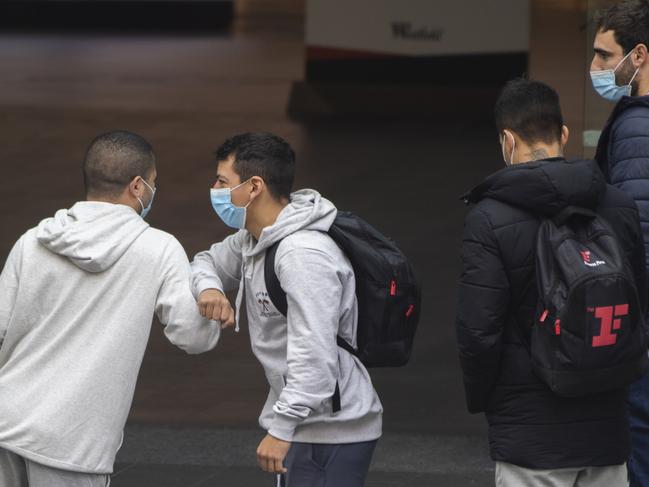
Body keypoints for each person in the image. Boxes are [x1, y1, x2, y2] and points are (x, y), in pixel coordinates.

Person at [0, 130, 224, 487]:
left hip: (5, 422)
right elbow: (193, 336)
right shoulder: (158, 249)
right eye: (153, 182)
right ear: (137, 186)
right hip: (72, 444)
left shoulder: (33, 241)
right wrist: (212, 302)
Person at [456, 79, 647, 487]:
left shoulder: (489, 218)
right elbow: (638, 308)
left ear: (507, 139)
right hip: (608, 430)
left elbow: (478, 332)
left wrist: (491, 400)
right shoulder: (618, 205)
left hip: (530, 433)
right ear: (563, 134)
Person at [191, 132, 382, 487]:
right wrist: (211, 289)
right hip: (306, 426)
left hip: (329, 431)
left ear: (254, 187)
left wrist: (281, 429)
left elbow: (315, 353)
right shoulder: (253, 238)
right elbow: (204, 262)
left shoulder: (302, 256)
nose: (214, 190)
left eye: (222, 181)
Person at [591, 3, 649, 483]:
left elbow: (637, 235)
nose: (596, 69)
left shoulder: (637, 125)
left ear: (639, 56)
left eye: (605, 56)